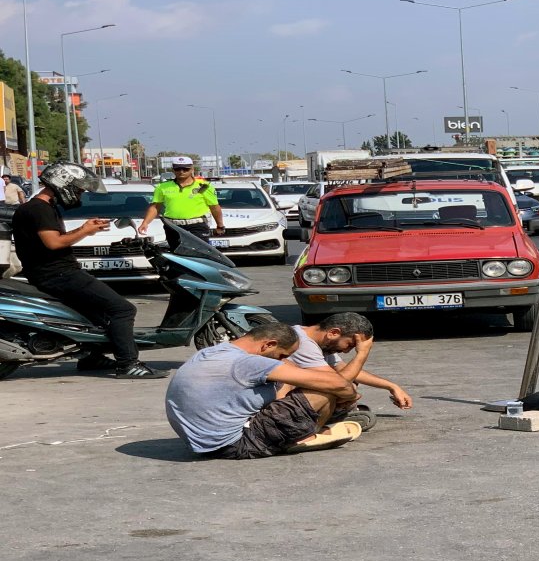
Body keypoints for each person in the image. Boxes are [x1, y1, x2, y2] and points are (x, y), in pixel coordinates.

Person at [10, 162, 166, 379]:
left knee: (93, 313)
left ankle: (91, 356)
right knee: (122, 310)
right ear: (64, 184)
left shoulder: (41, 207)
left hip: (54, 272)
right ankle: (128, 363)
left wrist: (85, 228)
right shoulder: (38, 209)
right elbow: (54, 243)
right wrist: (85, 230)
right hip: (57, 274)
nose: (80, 194)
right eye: (80, 189)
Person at [166, 322, 364, 460]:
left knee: (290, 378)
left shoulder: (213, 352)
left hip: (203, 441)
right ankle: (303, 434)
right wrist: (351, 395)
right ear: (268, 345)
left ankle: (298, 426)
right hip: (236, 444)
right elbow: (338, 384)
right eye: (281, 355)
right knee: (325, 390)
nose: (281, 360)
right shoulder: (249, 363)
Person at [281, 313, 413, 415]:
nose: (346, 351)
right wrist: (362, 354)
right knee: (343, 388)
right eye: (349, 345)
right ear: (333, 333)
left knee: (349, 384)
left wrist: (391, 386)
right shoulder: (302, 343)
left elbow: (343, 369)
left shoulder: (320, 342)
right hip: (278, 402)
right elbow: (337, 383)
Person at [139, 156, 224, 247]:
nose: (181, 171)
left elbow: (214, 207)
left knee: (198, 255)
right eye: (178, 169)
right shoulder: (162, 187)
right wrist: (145, 223)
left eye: (185, 169)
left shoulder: (203, 186)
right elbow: (155, 207)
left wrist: (220, 225)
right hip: (173, 227)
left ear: (192, 169)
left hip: (197, 226)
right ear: (173, 170)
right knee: (177, 255)